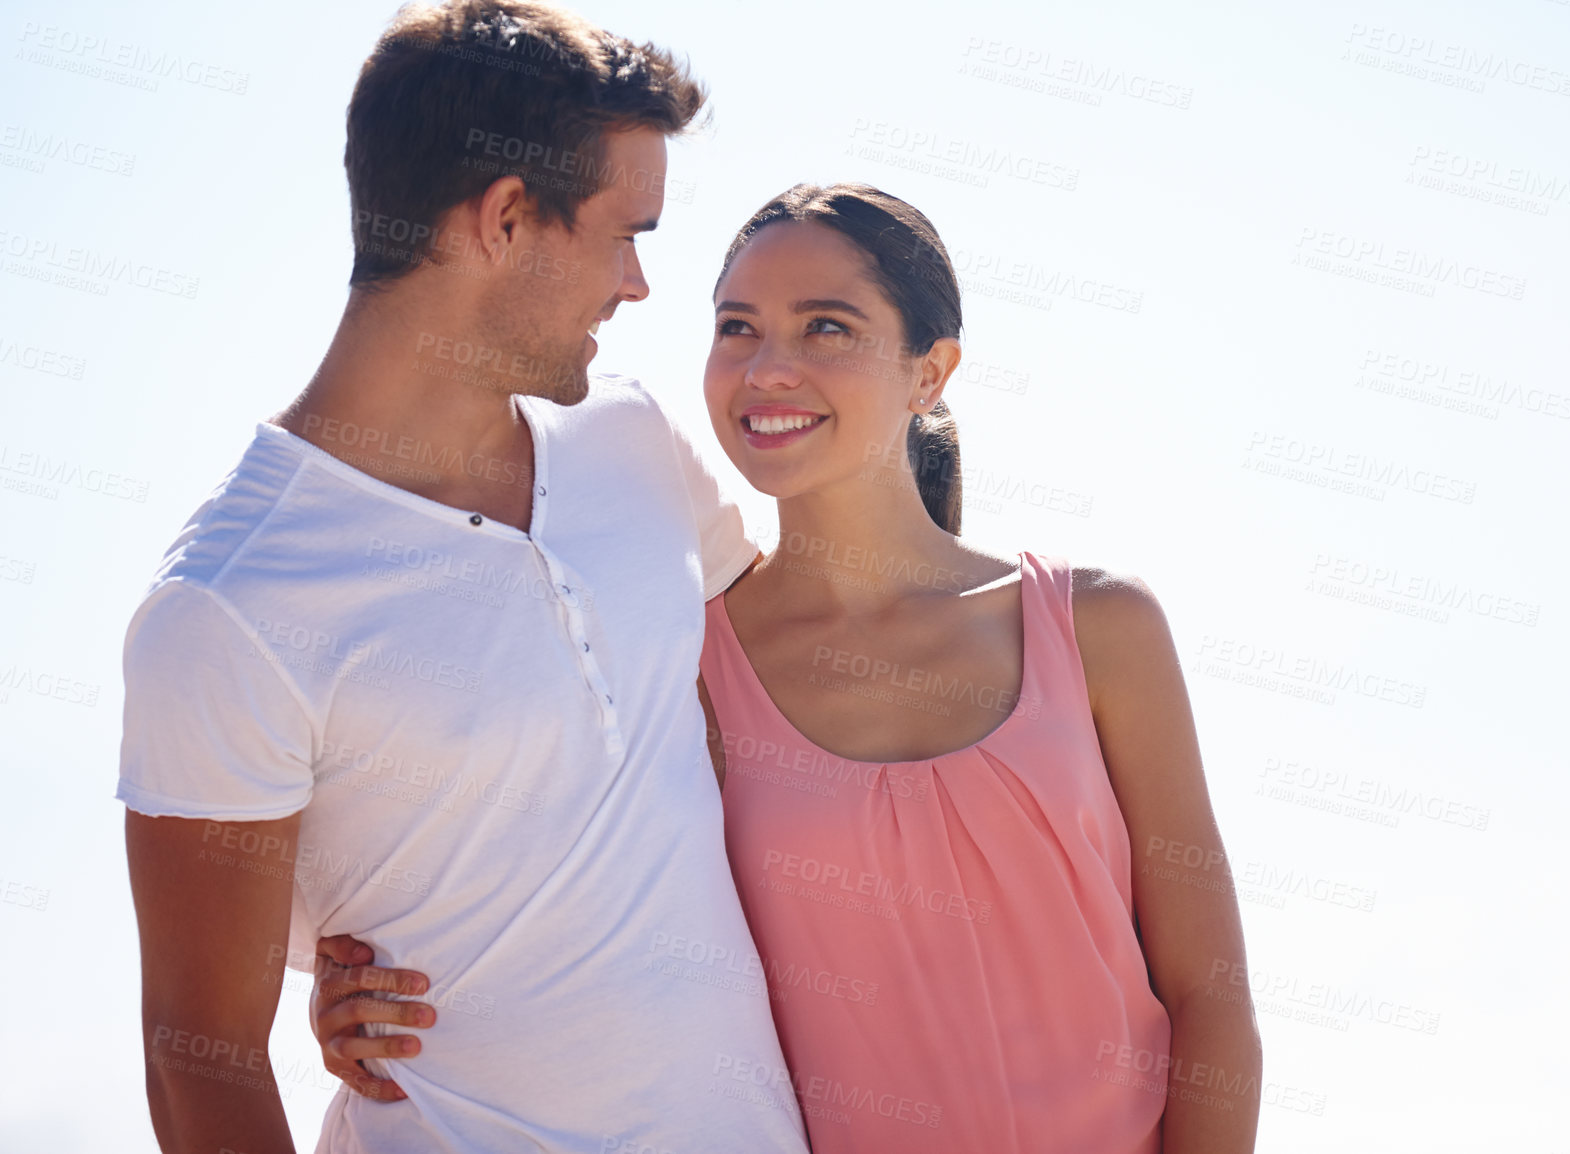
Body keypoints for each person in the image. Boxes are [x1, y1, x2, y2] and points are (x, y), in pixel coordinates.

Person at [312, 184, 1262, 1151]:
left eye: (826, 328)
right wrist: (362, 977)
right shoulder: (688, 662)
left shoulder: (1097, 625)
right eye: (738, 327)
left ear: (930, 372)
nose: (769, 368)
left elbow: (1210, 999)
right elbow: (547, 883)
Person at [115, 3, 807, 1151]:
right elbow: (200, 1059)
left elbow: (806, 690)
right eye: (625, 232)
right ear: (504, 219)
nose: (637, 284)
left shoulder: (633, 439)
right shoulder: (228, 606)